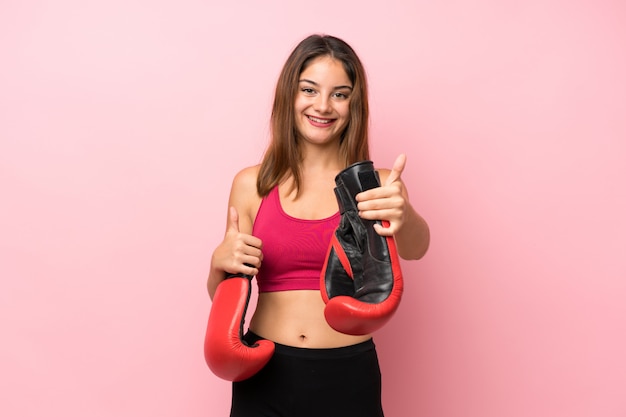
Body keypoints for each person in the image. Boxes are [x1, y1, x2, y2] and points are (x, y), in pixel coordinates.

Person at [207, 34, 430, 417]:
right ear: (289, 95)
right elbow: (225, 296)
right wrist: (218, 262)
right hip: (265, 376)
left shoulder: (375, 185)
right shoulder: (252, 184)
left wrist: (403, 213)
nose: (323, 106)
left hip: (348, 374)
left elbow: (416, 248)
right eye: (309, 89)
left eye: (340, 94)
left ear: (353, 104)